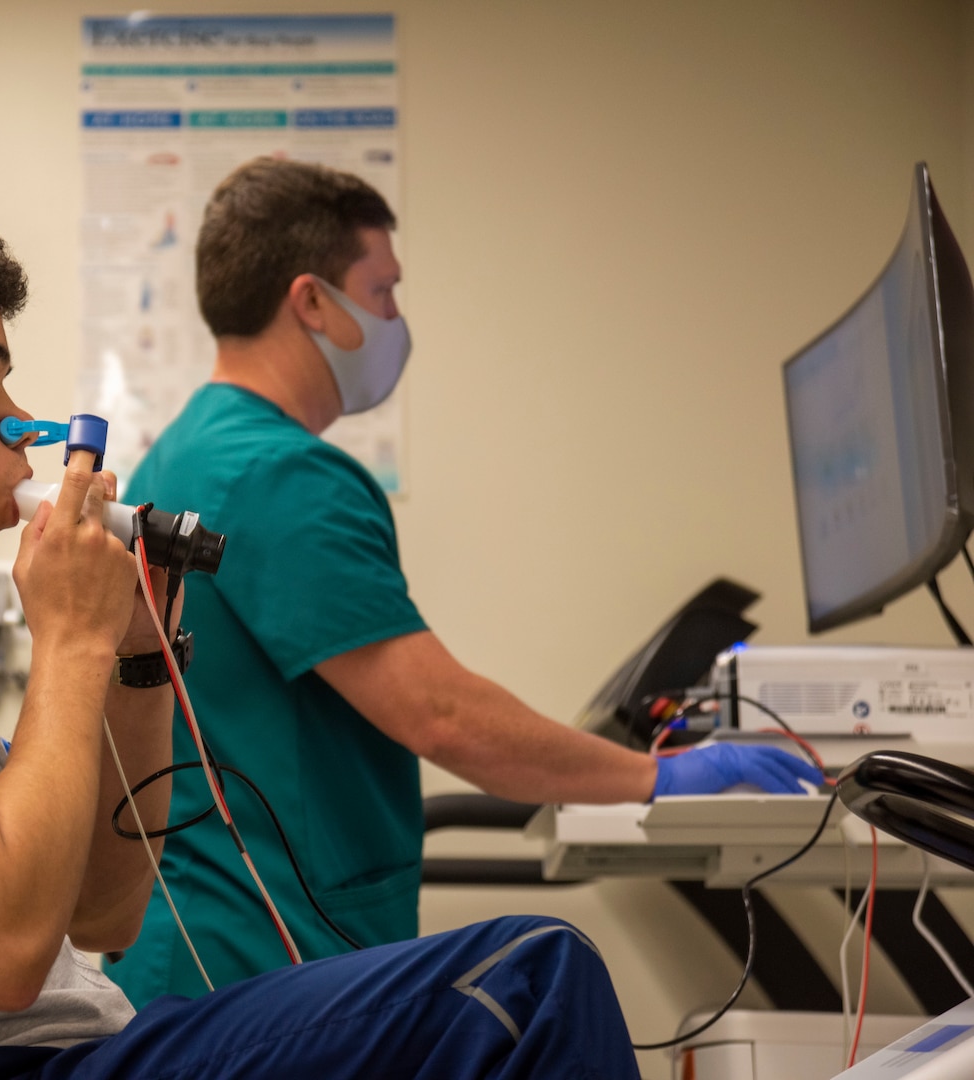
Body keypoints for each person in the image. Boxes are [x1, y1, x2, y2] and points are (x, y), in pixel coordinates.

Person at [0, 186, 646, 1080]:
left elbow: (103, 914)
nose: (19, 418)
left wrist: (132, 660)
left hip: (55, 1048)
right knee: (527, 984)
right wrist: (70, 643)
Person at [106, 157, 824, 1006]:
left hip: (209, 945)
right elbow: (441, 714)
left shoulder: (188, 451)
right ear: (310, 303)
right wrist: (659, 777)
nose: (396, 320)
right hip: (257, 956)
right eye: (382, 294)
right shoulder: (279, 475)